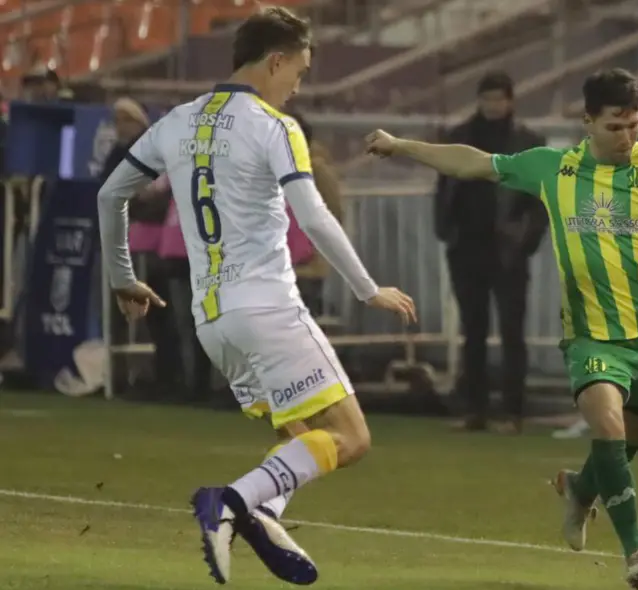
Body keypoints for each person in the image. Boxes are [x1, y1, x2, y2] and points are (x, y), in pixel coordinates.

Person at [363, 68, 638, 589]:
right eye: (615, 126)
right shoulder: (554, 169)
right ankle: (636, 552)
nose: (627, 136)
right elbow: (473, 163)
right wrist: (401, 146)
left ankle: (581, 487)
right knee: (610, 429)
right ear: (588, 121)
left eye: (635, 125)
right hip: (589, 336)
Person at [96, 7, 416, 586]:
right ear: (275, 60)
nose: (299, 83)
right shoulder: (275, 127)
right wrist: (369, 289)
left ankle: (264, 513)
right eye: (299, 69)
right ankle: (233, 502)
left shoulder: (177, 121)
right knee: (352, 437)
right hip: (268, 306)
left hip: (212, 321)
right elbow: (313, 217)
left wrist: (122, 277)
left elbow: (110, 194)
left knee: (297, 438)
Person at [435, 71, 547, 433]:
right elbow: (444, 187)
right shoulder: (459, 137)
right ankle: (475, 409)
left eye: (499, 99)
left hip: (508, 250)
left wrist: (525, 241)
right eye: (487, 99)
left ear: (510, 100)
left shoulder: (529, 142)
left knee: (512, 332)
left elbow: (540, 200)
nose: (493, 106)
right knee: (474, 330)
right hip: (466, 246)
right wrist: (446, 231)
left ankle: (513, 412)